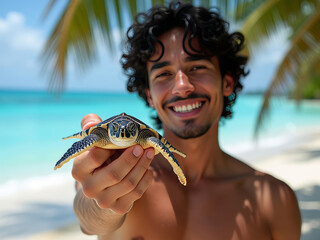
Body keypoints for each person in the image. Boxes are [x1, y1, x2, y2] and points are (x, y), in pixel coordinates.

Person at [71, 2, 301, 239]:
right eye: (164, 74)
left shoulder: (274, 200)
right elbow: (88, 217)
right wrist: (101, 204)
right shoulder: (123, 172)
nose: (182, 86)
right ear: (150, 95)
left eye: (197, 67)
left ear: (227, 83)